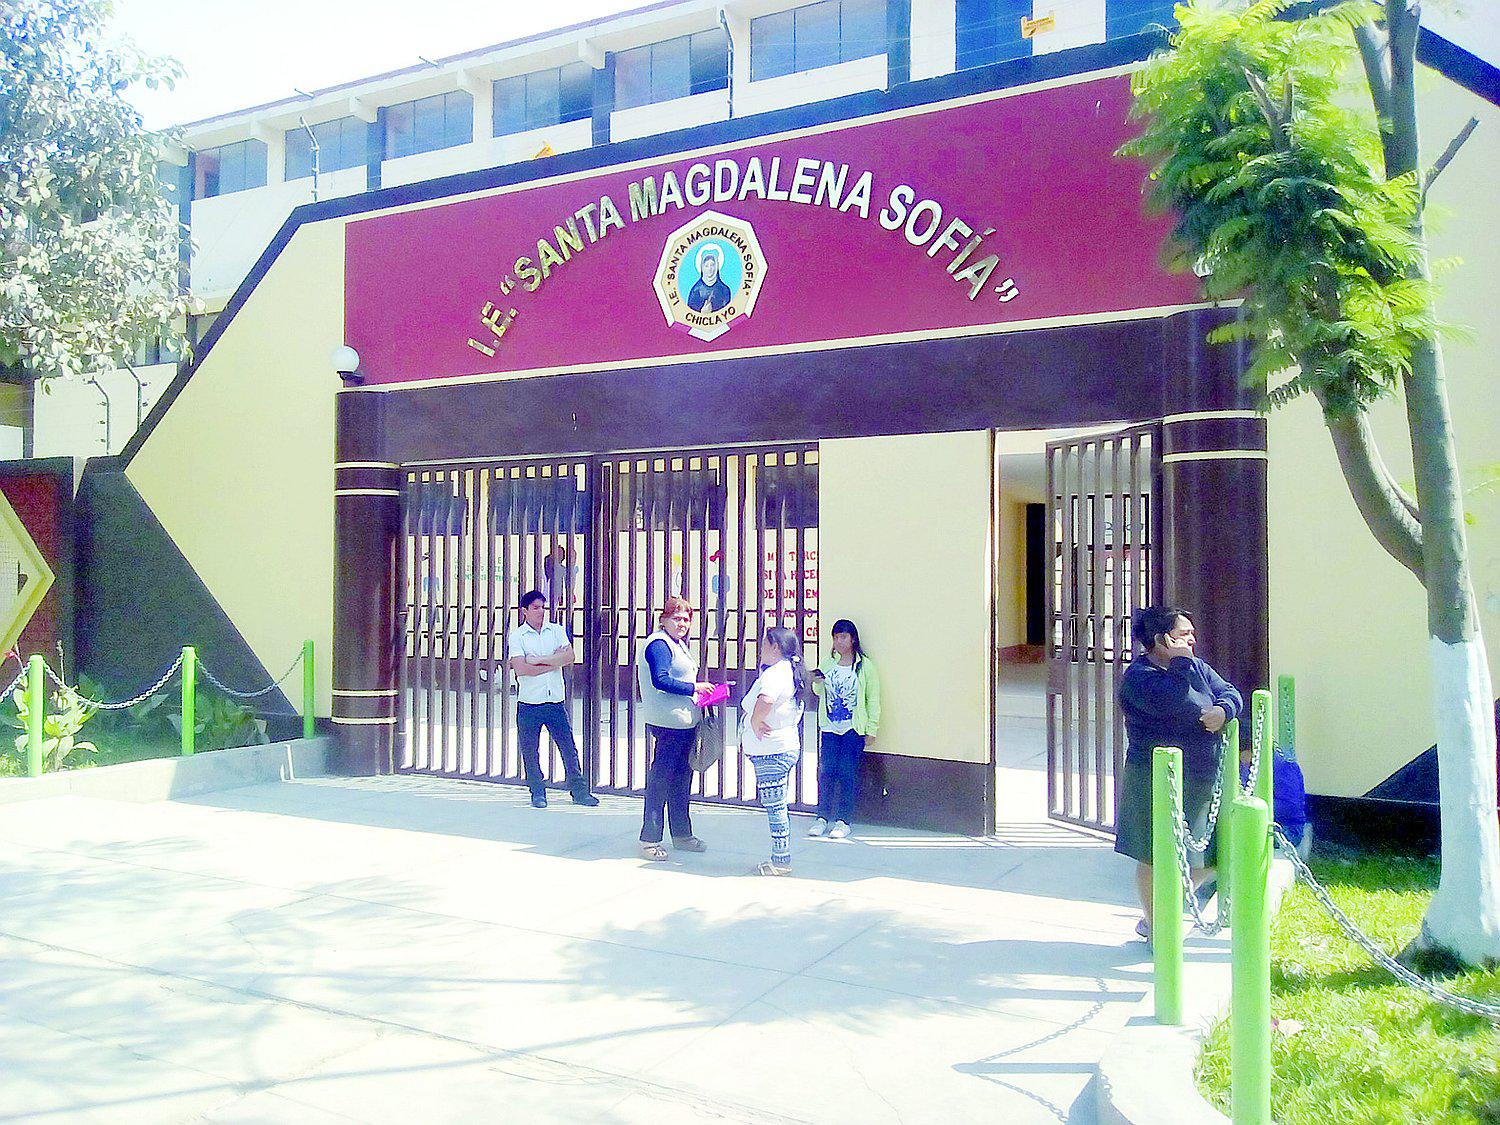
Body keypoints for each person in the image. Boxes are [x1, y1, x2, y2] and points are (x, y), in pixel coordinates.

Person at [1116, 606, 1242, 943]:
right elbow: (1180, 705)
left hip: (1200, 773)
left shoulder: (1196, 666)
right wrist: (1182, 663)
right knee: (1154, 853)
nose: (1192, 639)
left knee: (1209, 855)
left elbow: (1229, 692)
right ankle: (1157, 925)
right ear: (1161, 640)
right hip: (1154, 776)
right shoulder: (1140, 678)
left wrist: (1223, 710)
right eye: (1183, 633)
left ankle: (1167, 904)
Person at [637, 596, 715, 861]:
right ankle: (650, 839)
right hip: (667, 722)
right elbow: (661, 680)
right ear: (664, 619)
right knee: (660, 780)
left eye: (686, 619)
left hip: (684, 722)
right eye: (676, 618)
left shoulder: (677, 644)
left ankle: (682, 834)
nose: (682, 623)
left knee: (682, 780)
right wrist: (695, 688)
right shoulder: (658, 644)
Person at [508, 590, 598, 809]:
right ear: (525, 611)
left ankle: (579, 791)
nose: (540, 612)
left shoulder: (556, 631)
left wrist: (539, 660)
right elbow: (521, 669)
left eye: (543, 607)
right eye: (535, 608)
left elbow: (570, 657)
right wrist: (554, 662)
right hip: (530, 701)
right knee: (530, 750)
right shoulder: (517, 636)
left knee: (568, 748)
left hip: (554, 700)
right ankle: (537, 791)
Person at [741, 626, 808, 876]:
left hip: (771, 749)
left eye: (764, 644)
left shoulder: (776, 673)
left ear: (775, 647)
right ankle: (781, 857)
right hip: (784, 745)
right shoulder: (790, 671)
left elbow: (766, 700)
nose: (760, 650)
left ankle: (780, 860)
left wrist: (756, 720)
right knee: (777, 803)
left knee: (775, 806)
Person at [809, 618, 882, 839]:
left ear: (852, 639)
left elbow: (873, 698)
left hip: (852, 728)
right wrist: (818, 681)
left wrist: (872, 728)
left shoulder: (864, 666)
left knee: (847, 773)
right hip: (830, 726)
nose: (839, 642)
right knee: (826, 771)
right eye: (836, 637)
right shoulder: (828, 663)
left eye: (843, 637)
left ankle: (843, 820)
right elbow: (818, 691)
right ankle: (822, 817)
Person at [687, 245, 732, 314]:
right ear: (702, 267)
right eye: (706, 265)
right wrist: (703, 314)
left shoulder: (724, 290)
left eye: (712, 265)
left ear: (717, 266)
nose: (710, 269)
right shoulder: (696, 291)